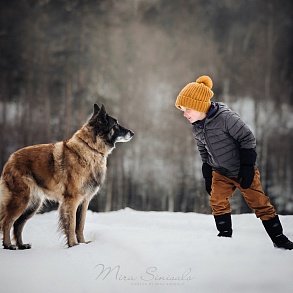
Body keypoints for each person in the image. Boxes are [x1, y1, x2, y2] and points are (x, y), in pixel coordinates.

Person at [175, 75, 293, 250]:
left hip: (242, 170)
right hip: (220, 172)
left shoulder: (225, 118)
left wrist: (247, 167)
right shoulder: (197, 127)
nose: (184, 114)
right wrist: (207, 172)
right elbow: (203, 149)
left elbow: (247, 138)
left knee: (260, 204)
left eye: (187, 109)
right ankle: (224, 238)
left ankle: (279, 238)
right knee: (217, 201)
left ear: (199, 105)